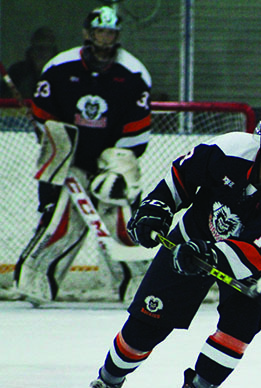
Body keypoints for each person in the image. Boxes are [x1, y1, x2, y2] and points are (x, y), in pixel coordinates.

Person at [69, 98, 261, 388]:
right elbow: (181, 178)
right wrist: (157, 206)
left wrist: (211, 256)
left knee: (239, 327)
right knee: (144, 325)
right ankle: (107, 383)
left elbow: (251, 255)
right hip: (193, 236)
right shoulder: (229, 147)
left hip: (256, 262)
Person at [13, 6, 152, 304]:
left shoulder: (133, 72)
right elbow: (44, 118)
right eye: (100, 31)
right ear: (87, 33)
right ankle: (36, 283)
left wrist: (118, 170)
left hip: (110, 163)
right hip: (68, 162)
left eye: (111, 32)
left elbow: (137, 130)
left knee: (123, 221)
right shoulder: (60, 68)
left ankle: (137, 286)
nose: (105, 38)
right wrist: (58, 151)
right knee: (58, 222)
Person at [1, 27, 58, 100]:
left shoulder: (62, 73)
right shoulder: (17, 72)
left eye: (46, 49)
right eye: (38, 48)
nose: (42, 53)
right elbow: (4, 99)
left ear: (53, 52)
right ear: (32, 49)